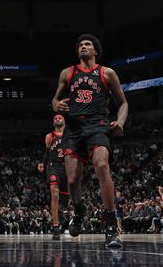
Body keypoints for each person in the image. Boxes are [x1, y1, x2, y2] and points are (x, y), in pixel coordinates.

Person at [52, 34, 128, 248]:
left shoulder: (107, 73)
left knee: (102, 166)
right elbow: (55, 99)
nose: (83, 47)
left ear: (96, 51)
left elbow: (123, 103)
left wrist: (120, 121)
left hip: (98, 125)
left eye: (88, 45)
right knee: (73, 180)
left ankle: (111, 225)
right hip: (74, 130)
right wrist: (56, 105)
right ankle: (79, 210)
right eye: (80, 45)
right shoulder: (67, 73)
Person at [37, 114, 70, 240]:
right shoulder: (49, 136)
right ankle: (56, 228)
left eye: (59, 117)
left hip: (66, 167)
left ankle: (61, 211)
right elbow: (46, 152)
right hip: (53, 166)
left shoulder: (70, 135)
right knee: (54, 194)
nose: (57, 118)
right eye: (55, 118)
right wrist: (42, 163)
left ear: (64, 121)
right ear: (53, 122)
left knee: (66, 200)